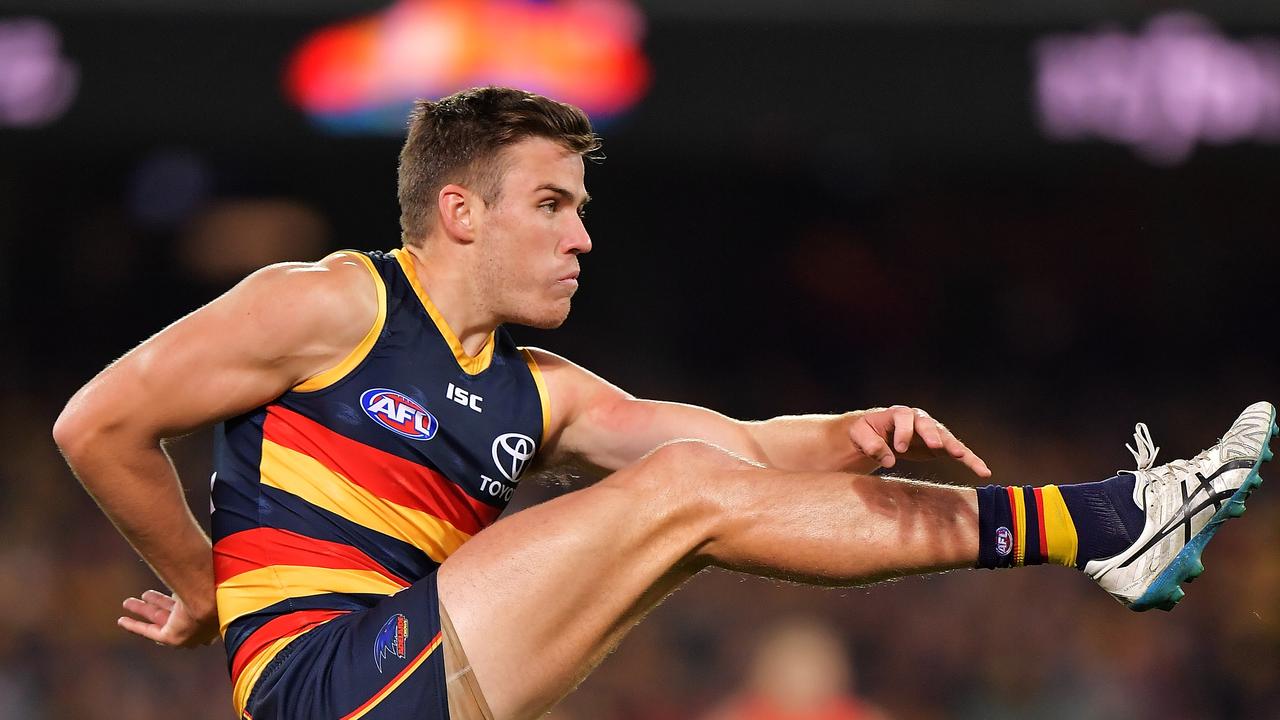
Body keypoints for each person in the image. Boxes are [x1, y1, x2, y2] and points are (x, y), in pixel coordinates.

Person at [53, 87, 1276, 720]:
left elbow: (735, 452)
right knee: (680, 504)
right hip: (323, 686)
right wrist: (209, 588)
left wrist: (842, 434)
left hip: (416, 676)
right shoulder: (326, 304)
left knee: (696, 512)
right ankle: (1106, 521)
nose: (584, 236)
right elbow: (95, 423)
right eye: (553, 205)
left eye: (583, 208)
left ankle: (1108, 529)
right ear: (460, 210)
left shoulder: (542, 392)